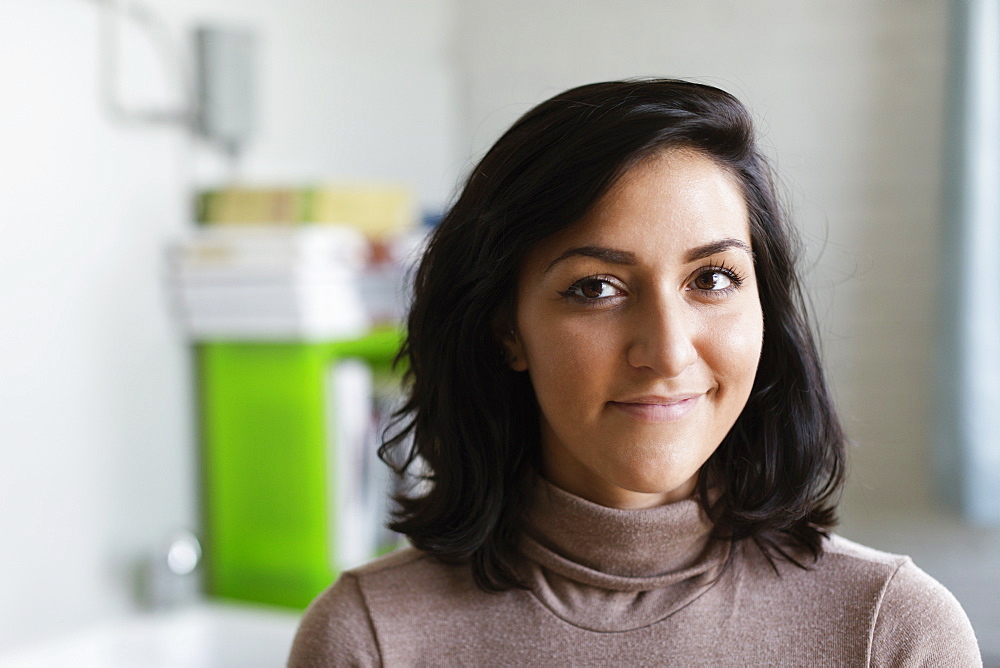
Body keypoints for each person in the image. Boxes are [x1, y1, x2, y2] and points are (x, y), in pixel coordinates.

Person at [288, 79, 981, 666]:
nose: (669, 351)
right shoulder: (368, 638)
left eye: (712, 278)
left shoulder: (891, 632)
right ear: (507, 329)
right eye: (596, 288)